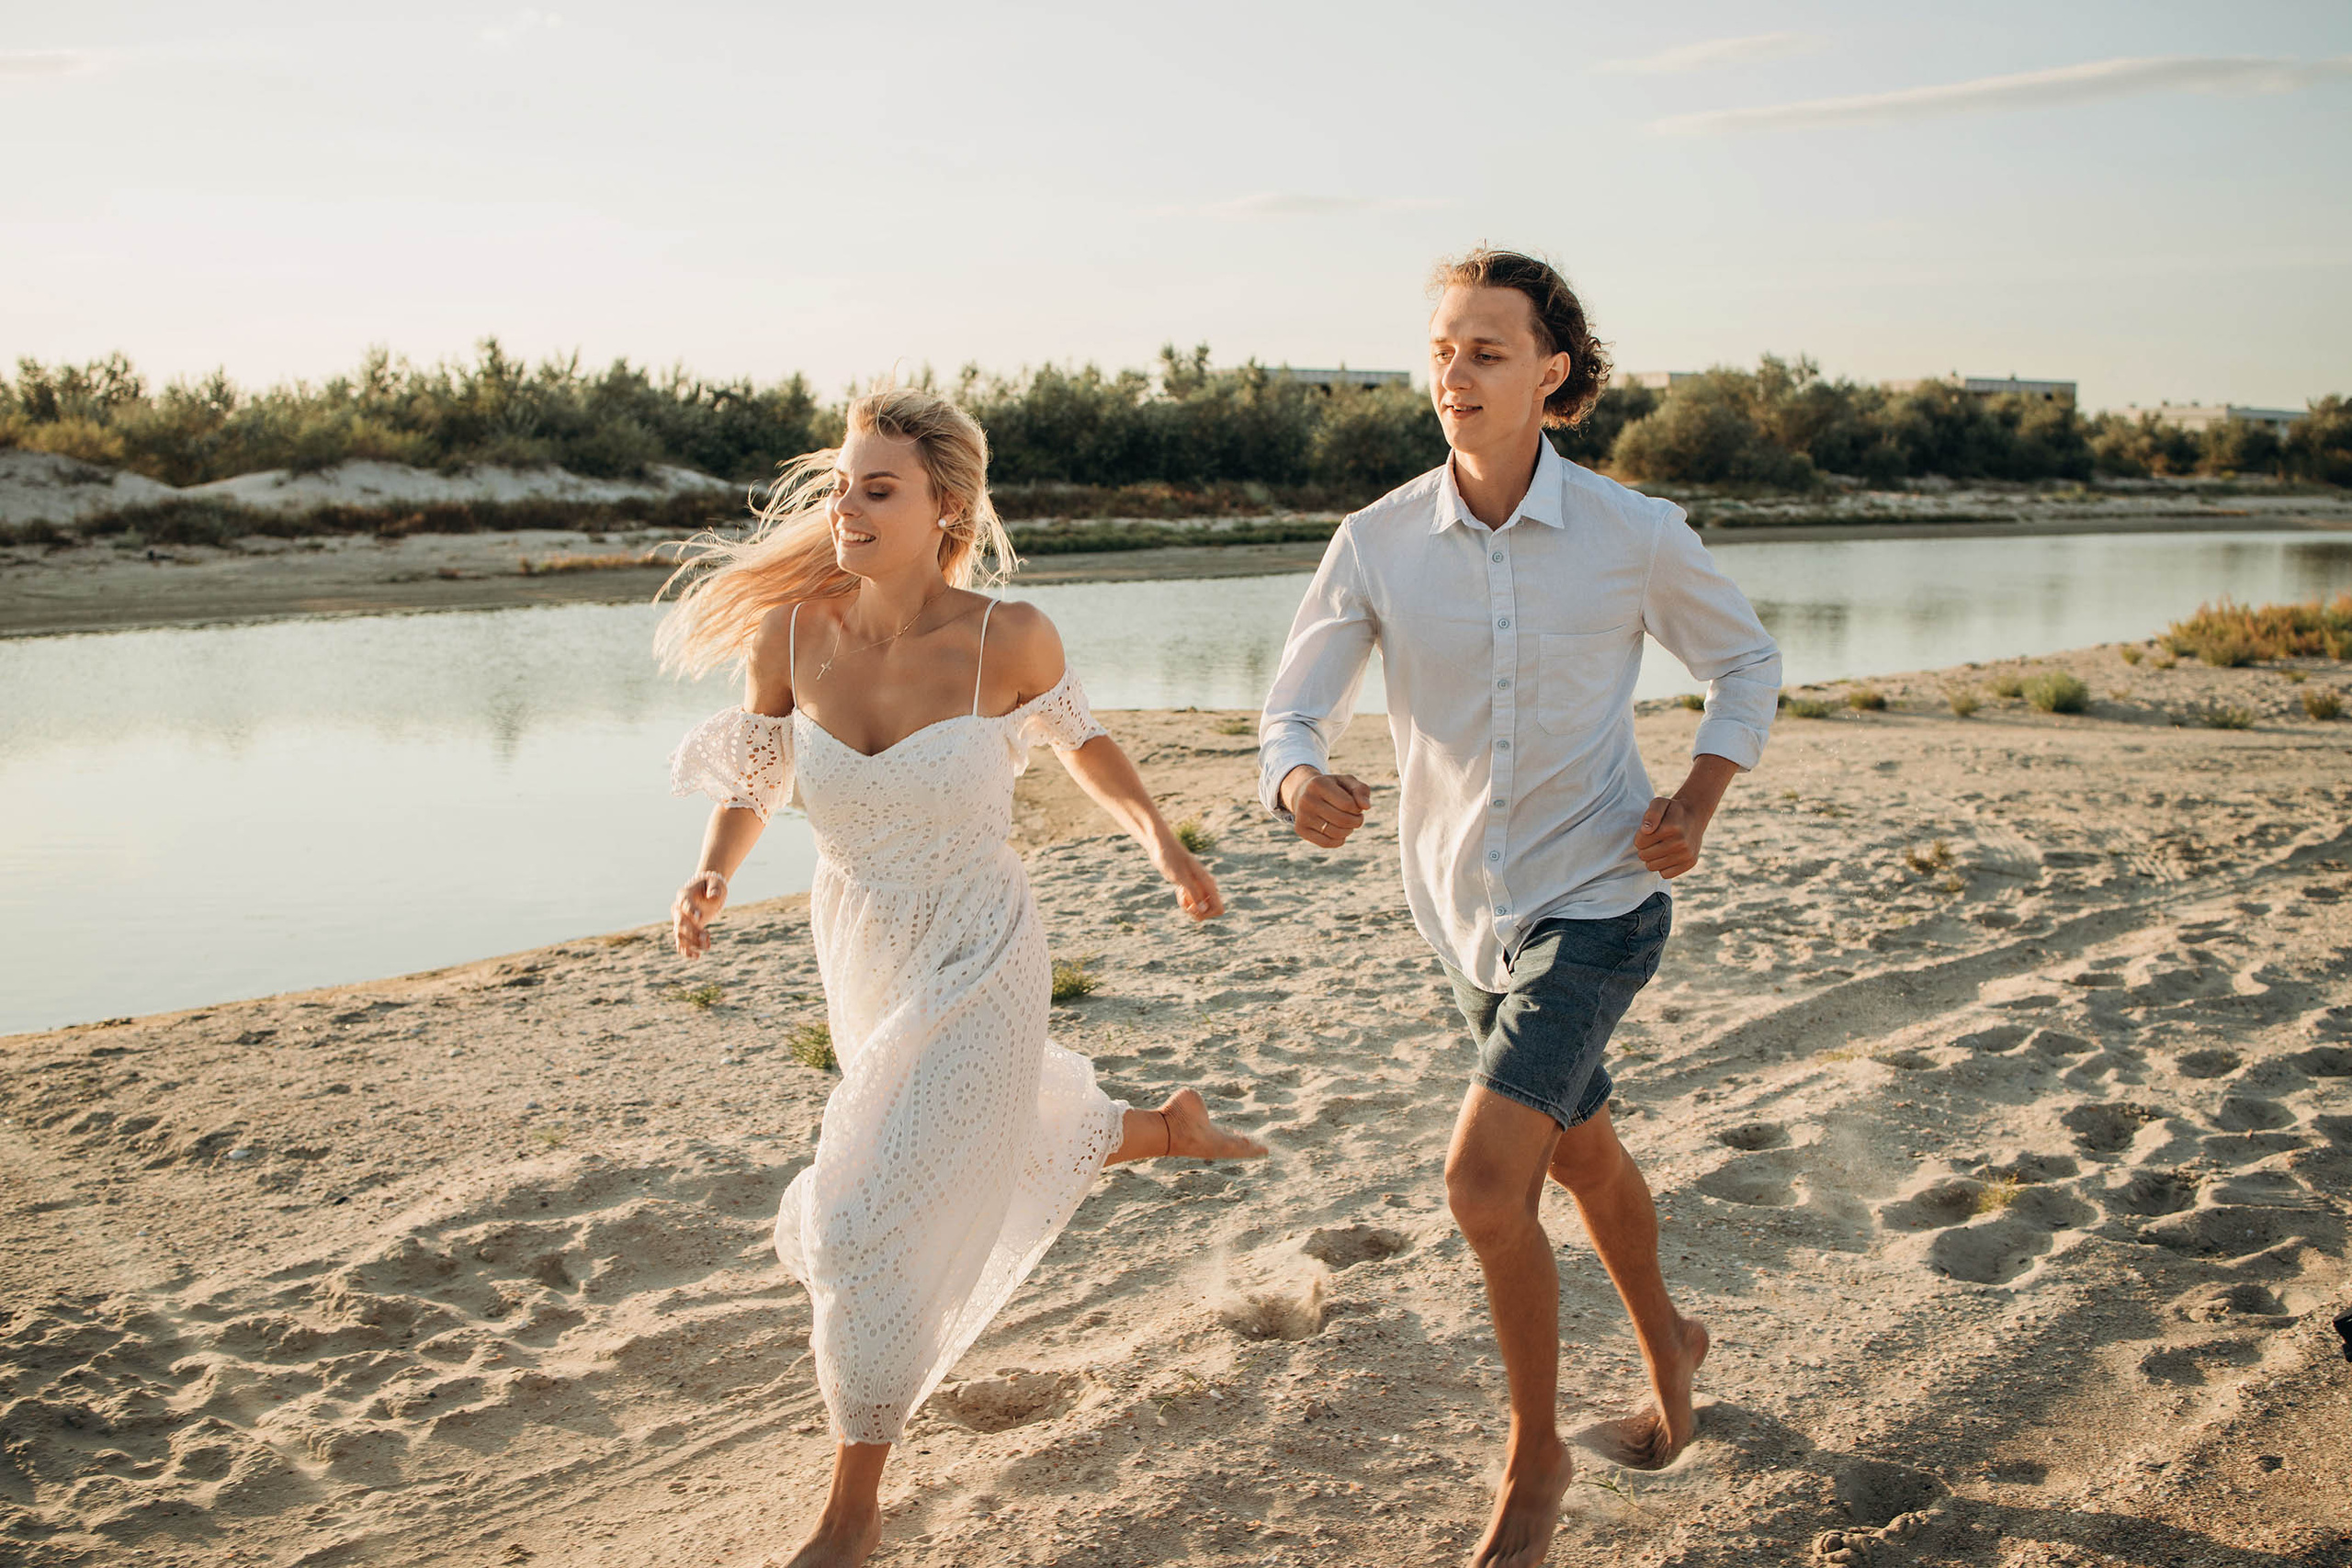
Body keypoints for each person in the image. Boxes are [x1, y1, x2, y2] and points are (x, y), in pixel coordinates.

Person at [658, 387, 1266, 1568]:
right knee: (932, 1146)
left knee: (860, 1210)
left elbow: (1086, 746)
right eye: (842, 484)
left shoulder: (1007, 636)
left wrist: (1164, 843)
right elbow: (757, 781)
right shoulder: (786, 636)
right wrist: (710, 874)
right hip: (862, 942)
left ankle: (852, 1514)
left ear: (946, 510)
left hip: (983, 942)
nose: (847, 506)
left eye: (877, 488)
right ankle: (1149, 1131)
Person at [1257, 249, 1781, 1568]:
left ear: (1551, 373)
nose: (1455, 374)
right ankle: (1673, 1341)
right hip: (1458, 916)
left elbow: (1745, 662)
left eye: (1487, 351)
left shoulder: (1633, 531)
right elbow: (1288, 710)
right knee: (1579, 1150)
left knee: (1485, 1183)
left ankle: (1536, 1457)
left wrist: (1698, 801)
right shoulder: (1375, 541)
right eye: (1441, 349)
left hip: (1600, 900)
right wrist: (1298, 780)